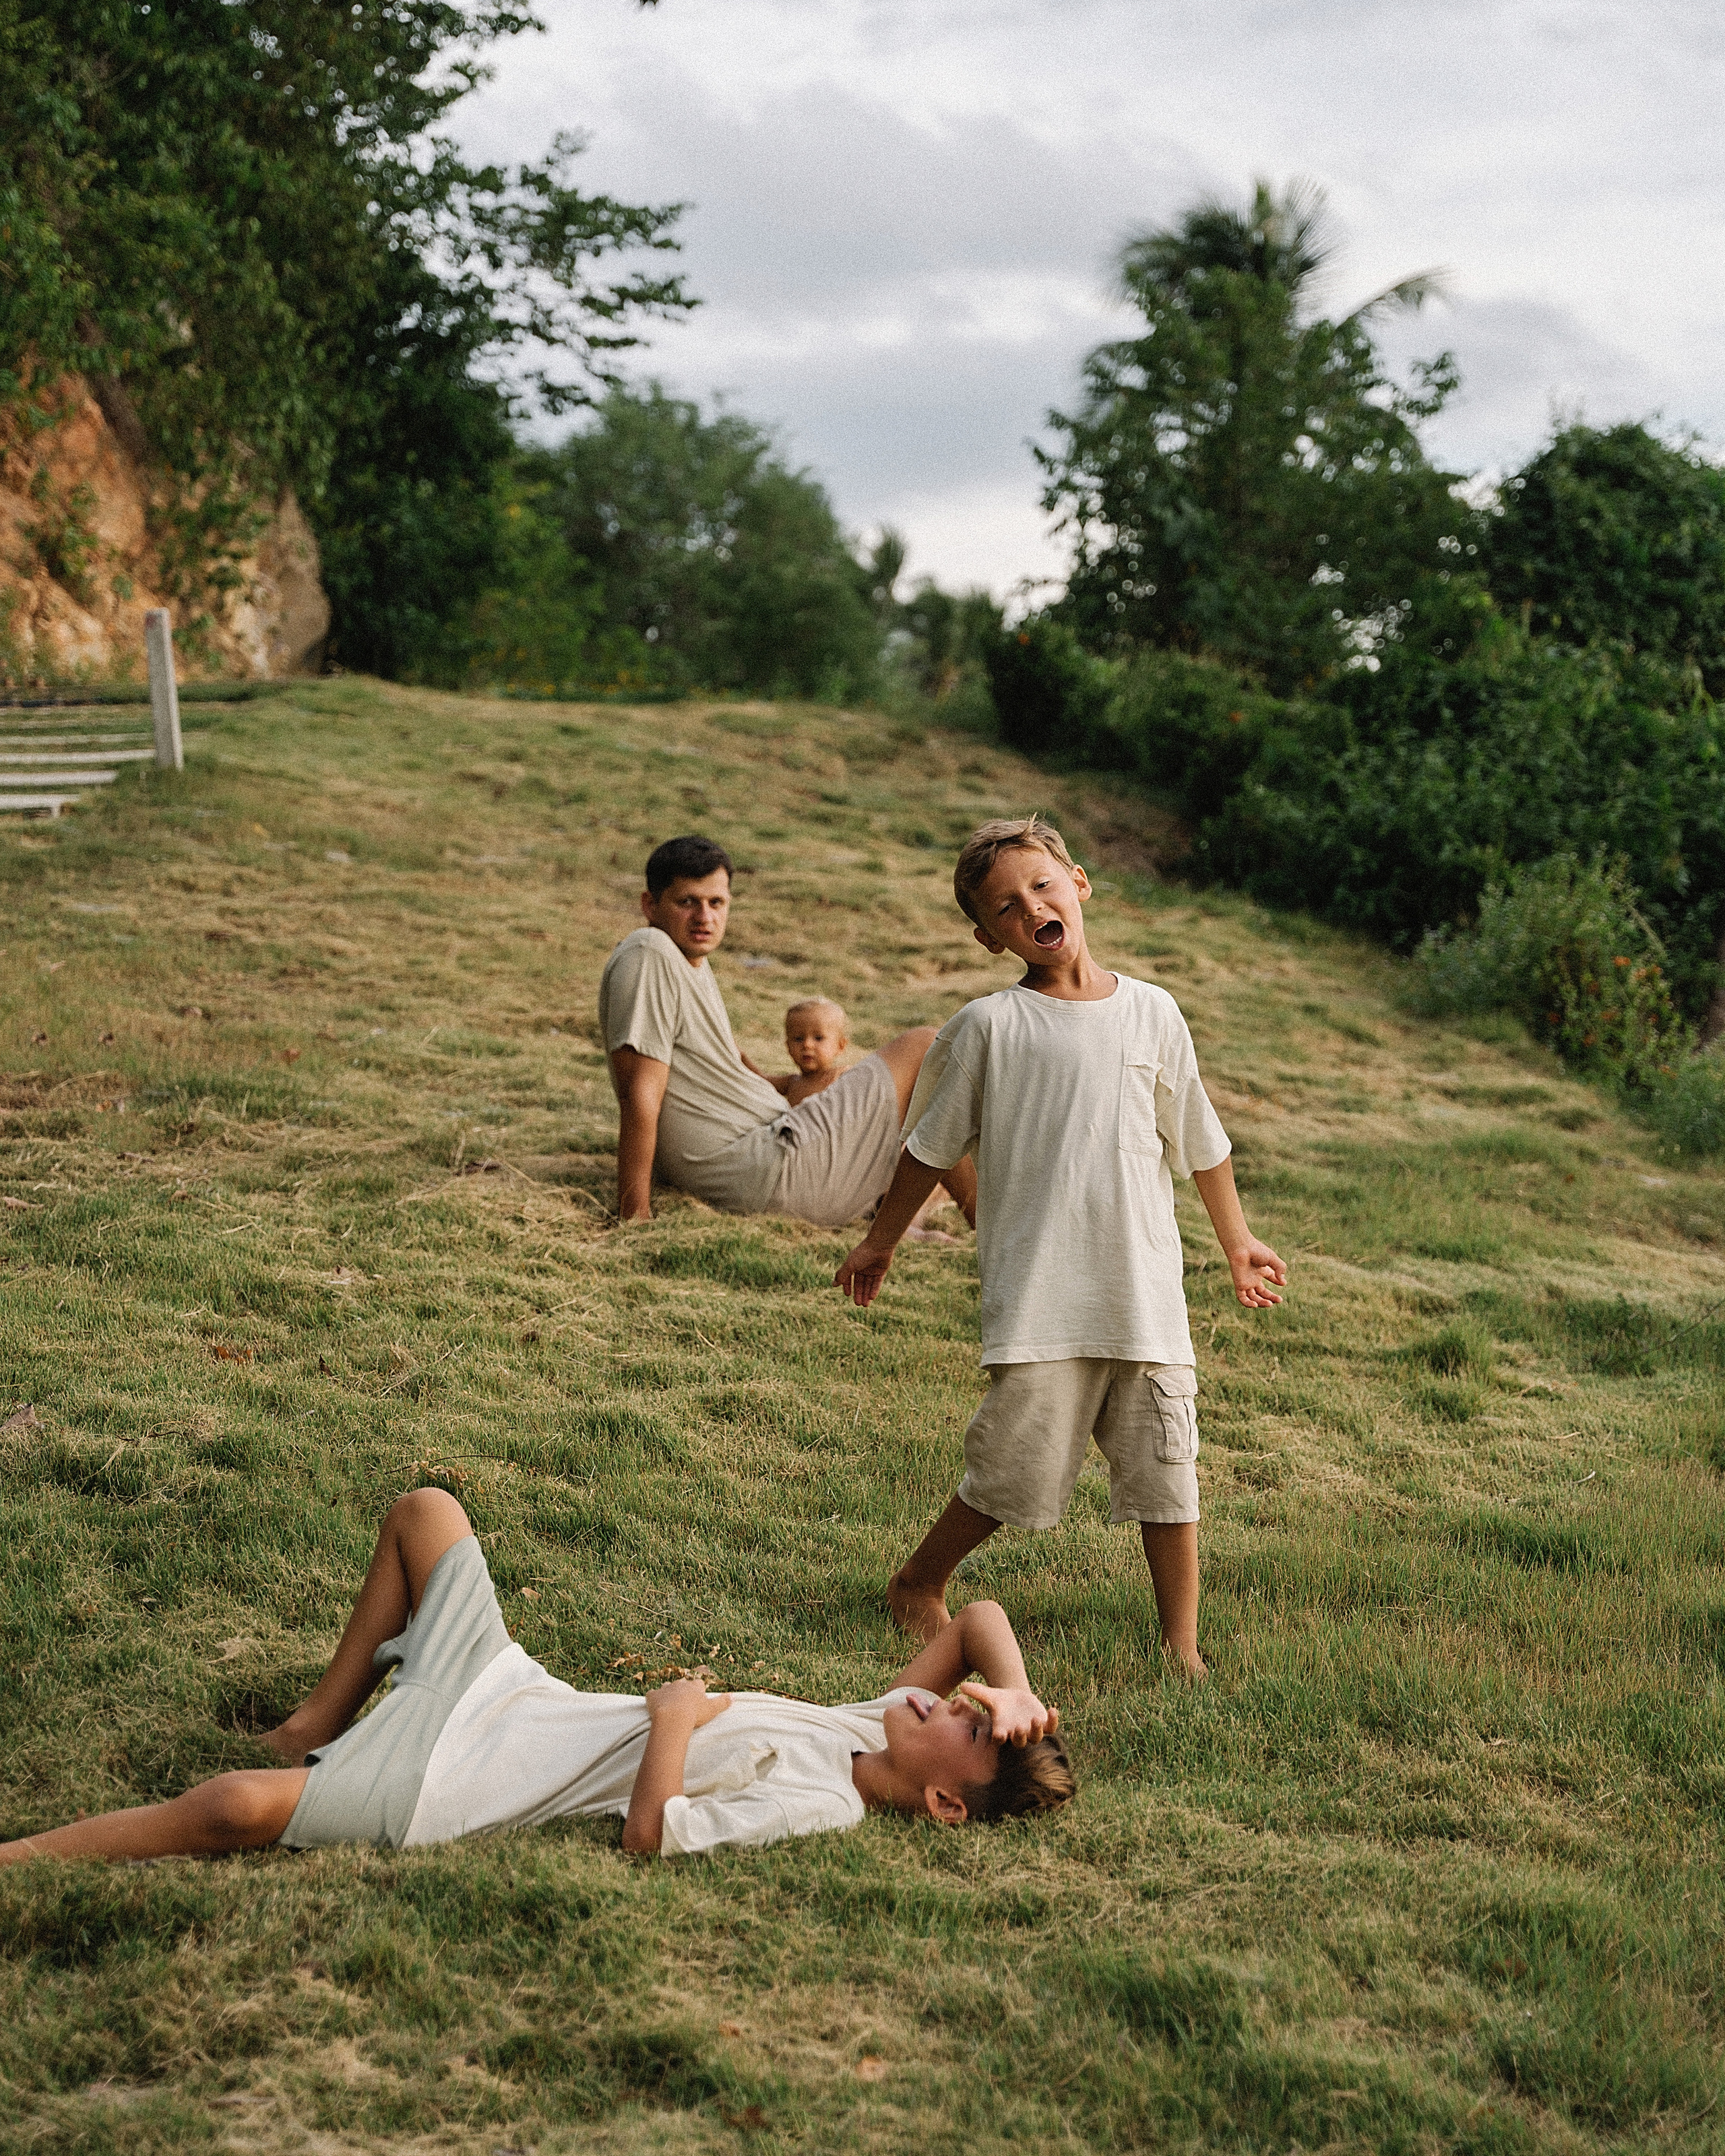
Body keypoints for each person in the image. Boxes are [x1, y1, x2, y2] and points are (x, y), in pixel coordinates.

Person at [0, 1488, 1073, 1867]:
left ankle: (25, 1856)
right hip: (511, 1692)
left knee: (232, 1810)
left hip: (470, 1784)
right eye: (981, 1703)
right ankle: (311, 1725)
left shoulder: (826, 1802)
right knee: (427, 1513)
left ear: (943, 1804)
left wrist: (673, 1719)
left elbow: (651, 1836)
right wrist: (1012, 1691)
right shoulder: (879, 1719)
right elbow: (977, 1617)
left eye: (976, 1731)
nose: (963, 1700)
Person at [835, 816, 1288, 1678]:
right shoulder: (989, 1027)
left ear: (1078, 882)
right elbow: (928, 1146)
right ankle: (918, 1579)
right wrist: (880, 1241)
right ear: (987, 934)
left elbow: (1199, 1137)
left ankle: (1181, 1645)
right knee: (1013, 1468)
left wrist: (1237, 1242)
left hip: (1144, 1294)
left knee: (1168, 1467)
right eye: (1006, 907)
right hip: (1043, 1295)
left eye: (1041, 885)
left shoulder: (1153, 1011)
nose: (1030, 907)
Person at [599, 835, 976, 1230]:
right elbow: (639, 1089)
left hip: (771, 1153)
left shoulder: (687, 960)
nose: (705, 918)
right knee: (928, 1048)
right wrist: (633, 1214)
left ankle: (903, 1221)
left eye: (717, 903)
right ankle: (992, 1234)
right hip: (764, 1165)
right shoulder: (650, 951)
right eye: (687, 902)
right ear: (649, 905)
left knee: (925, 1131)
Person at [772, 996, 850, 1107]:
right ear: (788, 1046)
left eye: (818, 1038)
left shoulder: (840, 1079)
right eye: (798, 1039)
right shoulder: (792, 1083)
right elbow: (756, 1079)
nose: (807, 1045)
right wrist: (741, 1057)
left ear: (840, 1046)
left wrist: (850, 1072)